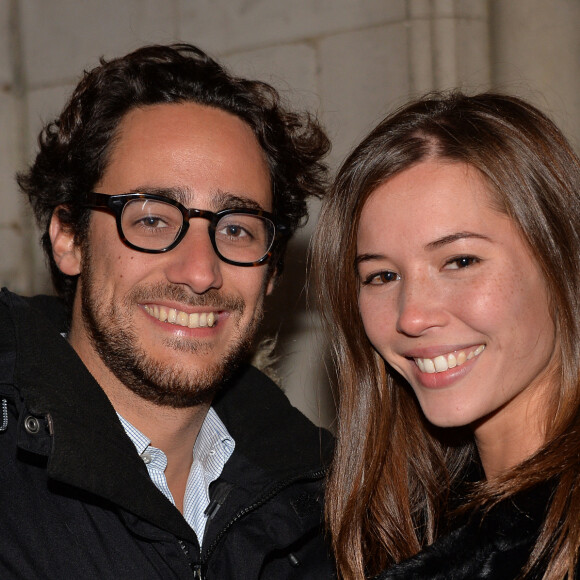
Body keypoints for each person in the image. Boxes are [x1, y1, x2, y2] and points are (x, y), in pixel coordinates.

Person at [0, 43, 334, 579]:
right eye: (152, 219)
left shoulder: (329, 511)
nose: (199, 271)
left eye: (236, 229)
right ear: (68, 238)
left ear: (271, 273)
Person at [311, 91, 580, 579]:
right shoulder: (397, 526)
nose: (411, 317)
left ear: (560, 259)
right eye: (382, 276)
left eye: (460, 261)